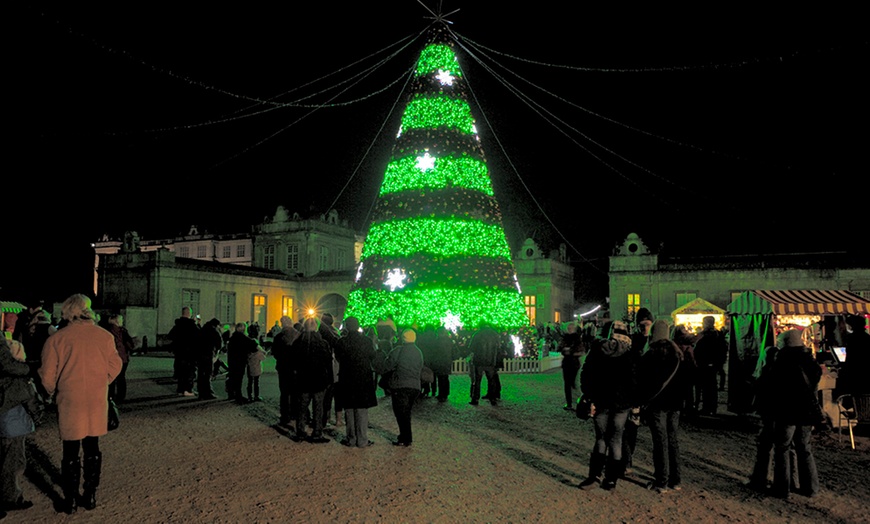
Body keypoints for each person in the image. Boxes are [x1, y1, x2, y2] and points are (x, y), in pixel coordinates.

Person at [39, 294, 123, 513]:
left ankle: (70, 499)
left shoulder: (57, 339)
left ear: (68, 311)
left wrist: (51, 391)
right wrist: (103, 380)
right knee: (93, 447)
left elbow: (47, 376)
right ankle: (90, 493)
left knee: (70, 450)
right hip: (95, 397)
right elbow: (116, 363)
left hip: (70, 398)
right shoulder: (104, 336)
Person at [577, 320, 636, 491]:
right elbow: (634, 382)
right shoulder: (630, 353)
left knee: (601, 439)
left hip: (601, 400)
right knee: (616, 440)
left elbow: (586, 375)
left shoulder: (598, 349)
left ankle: (594, 476)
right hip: (621, 403)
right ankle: (611, 480)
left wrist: (589, 396)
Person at [767, 329, 822, 499]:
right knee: (805, 448)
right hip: (807, 412)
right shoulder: (811, 363)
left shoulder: (781, 362)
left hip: (787, 411)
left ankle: (782, 487)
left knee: (782, 448)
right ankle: (810, 488)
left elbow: (774, 386)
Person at [636, 320, 689, 493]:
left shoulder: (650, 355)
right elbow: (686, 381)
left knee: (660, 442)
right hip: (674, 404)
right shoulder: (678, 354)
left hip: (657, 404)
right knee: (673, 441)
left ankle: (661, 481)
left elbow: (643, 382)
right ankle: (676, 479)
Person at [0, 336, 37, 516]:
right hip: (13, 426)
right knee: (14, 461)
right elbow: (30, 401)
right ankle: (11, 496)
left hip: (8, 424)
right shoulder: (17, 378)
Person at [334, 317, 377, 448]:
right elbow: (372, 355)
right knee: (361, 410)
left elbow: (338, 357)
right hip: (363, 378)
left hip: (347, 378)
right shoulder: (366, 341)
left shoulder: (342, 342)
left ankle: (351, 438)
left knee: (349, 409)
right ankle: (362, 439)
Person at [377, 328, 423, 447]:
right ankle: (406, 436)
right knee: (406, 412)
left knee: (401, 413)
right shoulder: (418, 352)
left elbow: (388, 365)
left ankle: (405, 437)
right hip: (415, 386)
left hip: (400, 385)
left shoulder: (398, 350)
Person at [290, 317, 333, 443]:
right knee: (318, 408)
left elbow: (293, 362)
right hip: (319, 380)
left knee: (302, 407)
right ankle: (317, 432)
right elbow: (328, 363)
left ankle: (300, 431)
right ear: (317, 327)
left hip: (303, 380)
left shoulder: (298, 343)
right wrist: (329, 379)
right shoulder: (322, 343)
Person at [693, 316, 727, 415]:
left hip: (705, 364)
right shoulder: (717, 335)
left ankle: (707, 408)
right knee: (711, 387)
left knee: (706, 388)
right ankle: (712, 408)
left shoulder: (706, 335)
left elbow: (700, 349)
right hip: (712, 364)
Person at [270, 316, 300, 427]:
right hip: (295, 368)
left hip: (283, 367)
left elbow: (275, 352)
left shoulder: (279, 337)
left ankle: (285, 416)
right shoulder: (297, 335)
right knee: (295, 393)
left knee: (284, 393)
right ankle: (294, 414)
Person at [168, 307, 199, 397]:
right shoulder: (191, 325)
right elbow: (198, 337)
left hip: (179, 353)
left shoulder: (177, 325)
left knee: (180, 372)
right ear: (189, 313)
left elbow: (170, 336)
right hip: (189, 353)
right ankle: (188, 389)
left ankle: (180, 390)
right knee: (189, 372)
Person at [468, 325, 501, 406]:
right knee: (491, 380)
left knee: (477, 381)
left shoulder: (477, 334)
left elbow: (471, 347)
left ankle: (475, 398)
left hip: (479, 361)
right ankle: (492, 398)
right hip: (490, 361)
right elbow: (499, 347)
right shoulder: (494, 335)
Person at [104, 314, 134, 403]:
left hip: (111, 358)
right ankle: (120, 396)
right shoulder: (122, 331)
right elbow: (130, 344)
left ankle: (110, 396)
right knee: (121, 378)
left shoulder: (107, 331)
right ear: (117, 321)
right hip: (122, 357)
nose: (122, 322)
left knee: (112, 377)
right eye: (121, 320)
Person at [226, 323, 259, 403]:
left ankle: (231, 394)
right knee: (238, 378)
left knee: (232, 377)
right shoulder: (242, 337)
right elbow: (252, 345)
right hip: (239, 360)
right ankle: (238, 396)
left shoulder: (233, 337)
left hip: (232, 360)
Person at [838, 314, 870, 397]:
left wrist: (844, 368)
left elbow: (850, 358)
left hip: (855, 373)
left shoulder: (851, 339)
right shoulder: (867, 338)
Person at [558, 322, 585, 411]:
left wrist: (570, 351)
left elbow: (581, 351)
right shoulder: (565, 338)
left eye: (572, 327)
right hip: (567, 363)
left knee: (572, 382)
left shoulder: (577, 338)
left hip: (574, 363)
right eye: (569, 327)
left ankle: (575, 400)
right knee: (567, 383)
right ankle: (569, 403)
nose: (570, 329)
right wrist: (568, 351)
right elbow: (561, 348)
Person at [195, 318, 222, 400]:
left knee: (201, 373)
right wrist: (217, 352)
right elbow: (219, 343)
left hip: (200, 354)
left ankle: (201, 393)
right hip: (208, 353)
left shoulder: (202, 329)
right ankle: (208, 393)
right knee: (207, 374)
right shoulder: (214, 331)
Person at [430, 327, 455, 402]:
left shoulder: (437, 341)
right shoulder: (449, 340)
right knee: (445, 378)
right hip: (447, 361)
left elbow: (434, 352)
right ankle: (446, 393)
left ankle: (441, 394)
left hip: (440, 362)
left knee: (441, 379)